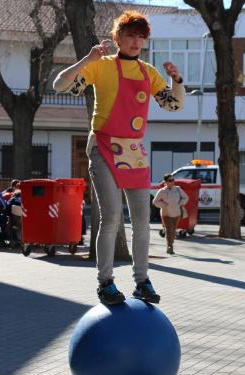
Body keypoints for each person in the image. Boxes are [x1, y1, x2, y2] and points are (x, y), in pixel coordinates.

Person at [53, 10, 185, 305]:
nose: (136, 41)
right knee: (111, 217)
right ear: (118, 38)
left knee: (142, 219)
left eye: (140, 36)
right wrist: (87, 60)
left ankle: (142, 281)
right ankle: (105, 282)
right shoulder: (101, 66)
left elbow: (173, 105)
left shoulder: (149, 72)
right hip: (102, 146)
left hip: (134, 152)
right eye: (130, 35)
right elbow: (60, 85)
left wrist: (177, 79)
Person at [152, 174, 188, 255]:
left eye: (173, 180)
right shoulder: (162, 191)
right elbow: (155, 202)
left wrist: (181, 203)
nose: (172, 182)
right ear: (165, 182)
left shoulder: (178, 189)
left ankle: (171, 243)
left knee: (173, 230)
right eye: (170, 180)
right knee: (169, 230)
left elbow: (186, 197)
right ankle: (170, 246)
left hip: (176, 213)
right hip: (166, 214)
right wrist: (163, 205)